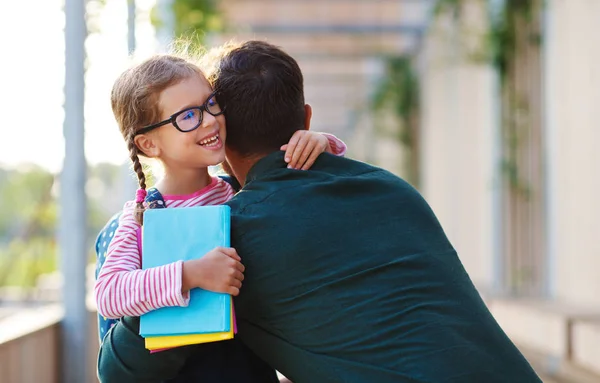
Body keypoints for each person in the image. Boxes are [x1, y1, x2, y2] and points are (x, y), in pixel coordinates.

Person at [196, 40, 543, 383]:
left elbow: (148, 358)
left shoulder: (227, 237)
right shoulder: (390, 189)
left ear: (218, 137)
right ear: (306, 117)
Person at [94, 54, 347, 383]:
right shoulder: (142, 216)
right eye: (188, 116)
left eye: (211, 103)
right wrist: (191, 274)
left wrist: (319, 142)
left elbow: (306, 189)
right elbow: (110, 293)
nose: (210, 120)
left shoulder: (239, 189)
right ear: (148, 143)